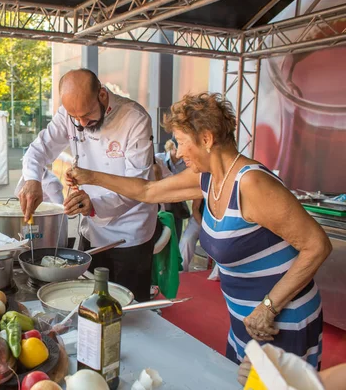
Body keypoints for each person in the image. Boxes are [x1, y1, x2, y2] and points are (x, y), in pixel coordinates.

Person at [66, 92, 331, 367]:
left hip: (280, 320)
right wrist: (91, 176)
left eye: (181, 142)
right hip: (245, 319)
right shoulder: (208, 178)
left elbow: (317, 245)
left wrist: (268, 306)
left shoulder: (251, 184)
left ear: (206, 139)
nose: (178, 152)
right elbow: (147, 190)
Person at [18, 68, 160, 301]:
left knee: (128, 306)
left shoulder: (135, 119)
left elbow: (139, 187)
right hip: (91, 228)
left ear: (102, 95)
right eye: (76, 119)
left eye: (87, 114)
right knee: (84, 299)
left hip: (131, 231)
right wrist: (33, 179)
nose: (82, 124)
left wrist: (94, 204)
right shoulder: (70, 114)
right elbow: (39, 149)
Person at [157, 139, 190, 240]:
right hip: (162, 204)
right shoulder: (159, 159)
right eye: (176, 149)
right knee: (163, 236)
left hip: (177, 203)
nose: (179, 153)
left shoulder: (186, 162)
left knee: (177, 233)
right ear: (171, 148)